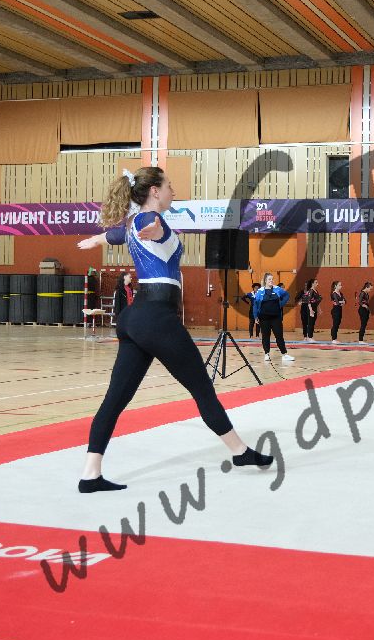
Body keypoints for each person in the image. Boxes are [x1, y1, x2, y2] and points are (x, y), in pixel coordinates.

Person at [74, 166, 272, 493]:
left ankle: (90, 474)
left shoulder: (135, 223)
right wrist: (155, 231)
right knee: (202, 389)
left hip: (136, 319)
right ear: (154, 191)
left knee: (115, 399)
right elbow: (149, 228)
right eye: (169, 185)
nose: (173, 191)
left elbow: (120, 234)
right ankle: (240, 452)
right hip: (156, 317)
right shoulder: (149, 220)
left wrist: (98, 238)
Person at [251, 273, 294, 363]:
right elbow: (255, 304)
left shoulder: (277, 289)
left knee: (279, 335)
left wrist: (281, 304)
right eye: (269, 279)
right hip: (264, 318)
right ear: (265, 281)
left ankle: (284, 354)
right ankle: (266, 354)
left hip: (276, 317)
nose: (271, 281)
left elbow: (286, 295)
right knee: (265, 336)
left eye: (272, 279)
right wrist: (255, 316)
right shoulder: (260, 291)